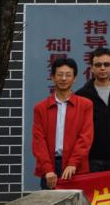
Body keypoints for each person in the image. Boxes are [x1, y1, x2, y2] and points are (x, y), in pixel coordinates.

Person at [33, 57, 93, 189]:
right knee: (49, 201)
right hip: (50, 167)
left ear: (74, 78)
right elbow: (38, 141)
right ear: (53, 77)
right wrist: (47, 169)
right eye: (60, 74)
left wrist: (73, 163)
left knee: (75, 202)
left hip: (76, 167)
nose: (64, 78)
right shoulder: (41, 108)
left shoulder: (85, 105)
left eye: (68, 75)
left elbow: (85, 137)